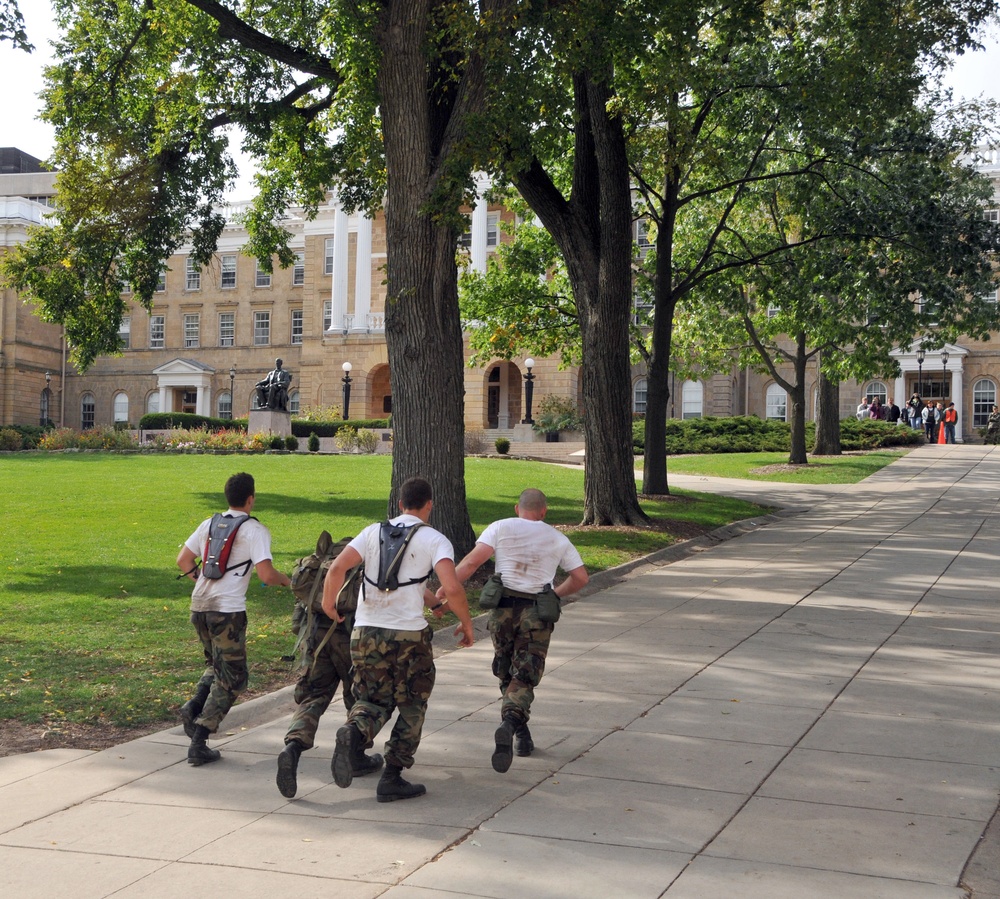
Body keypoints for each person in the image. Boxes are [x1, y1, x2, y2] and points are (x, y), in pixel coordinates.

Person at [322, 477, 474, 802]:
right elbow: (455, 586)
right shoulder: (434, 539)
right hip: (409, 637)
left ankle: (352, 732)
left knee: (372, 698)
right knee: (412, 702)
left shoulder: (370, 532)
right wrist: (465, 622)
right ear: (428, 505)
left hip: (364, 632)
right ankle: (392, 776)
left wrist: (327, 603)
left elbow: (336, 569)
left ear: (400, 503)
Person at [446, 488, 589, 774]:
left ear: (517, 508)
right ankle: (511, 723)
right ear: (544, 511)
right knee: (524, 676)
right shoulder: (557, 538)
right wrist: (557, 595)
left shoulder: (500, 527)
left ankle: (521, 736)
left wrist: (443, 591)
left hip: (501, 612)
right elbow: (580, 578)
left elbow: (472, 562)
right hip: (535, 615)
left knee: (506, 670)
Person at [176, 472, 291, 766]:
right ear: (251, 499)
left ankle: (193, 706)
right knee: (235, 677)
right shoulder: (254, 530)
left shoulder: (208, 524)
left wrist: (200, 581)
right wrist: (286, 581)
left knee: (216, 666)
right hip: (227, 611)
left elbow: (183, 561)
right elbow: (266, 574)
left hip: (199, 605)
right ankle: (200, 737)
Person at [275, 593, 383, 798]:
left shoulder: (317, 559)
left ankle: (293, 747)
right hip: (351, 635)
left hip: (317, 634)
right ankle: (355, 754)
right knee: (361, 696)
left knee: (314, 696)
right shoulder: (357, 561)